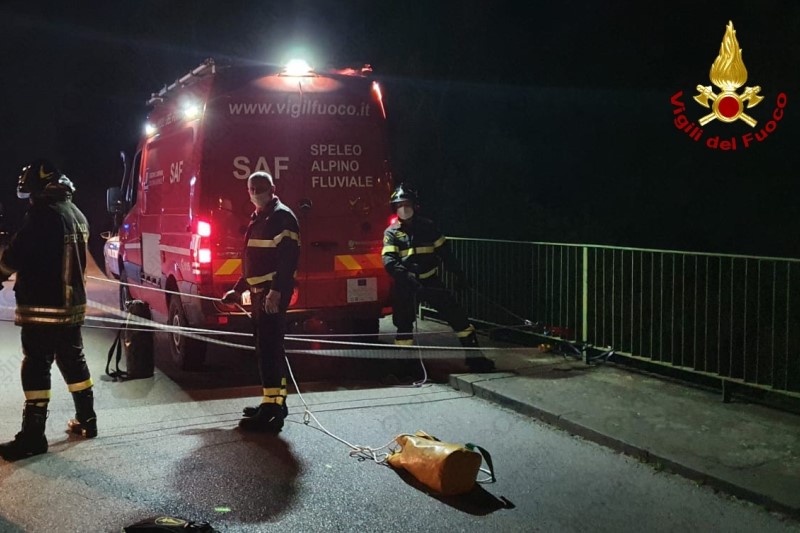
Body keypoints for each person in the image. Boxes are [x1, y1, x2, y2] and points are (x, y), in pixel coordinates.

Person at [0, 159, 96, 461]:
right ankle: (87, 419)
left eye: (31, 194)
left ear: (41, 191)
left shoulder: (42, 216)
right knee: (73, 360)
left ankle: (32, 436)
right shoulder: (76, 214)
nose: (30, 200)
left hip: (42, 305)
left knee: (36, 365)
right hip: (72, 306)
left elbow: (15, 254)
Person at [381, 183, 495, 372]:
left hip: (430, 281)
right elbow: (389, 262)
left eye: (407, 203)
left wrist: (458, 275)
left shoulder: (428, 227)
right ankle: (405, 365)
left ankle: (475, 359)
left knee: (459, 318)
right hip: (407, 285)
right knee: (404, 325)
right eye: (399, 205)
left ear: (415, 205)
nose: (403, 208)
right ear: (395, 208)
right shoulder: (391, 233)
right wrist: (407, 277)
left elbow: (446, 254)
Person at [221, 171, 300, 432]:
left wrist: (276, 292)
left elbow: (287, 261)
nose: (256, 192)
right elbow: (253, 262)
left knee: (269, 349)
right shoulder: (260, 216)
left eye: (261, 187)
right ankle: (275, 402)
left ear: (272, 188)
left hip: (270, 293)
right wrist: (237, 290)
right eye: (252, 188)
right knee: (268, 348)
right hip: (259, 293)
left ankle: (271, 411)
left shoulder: (282, 217)